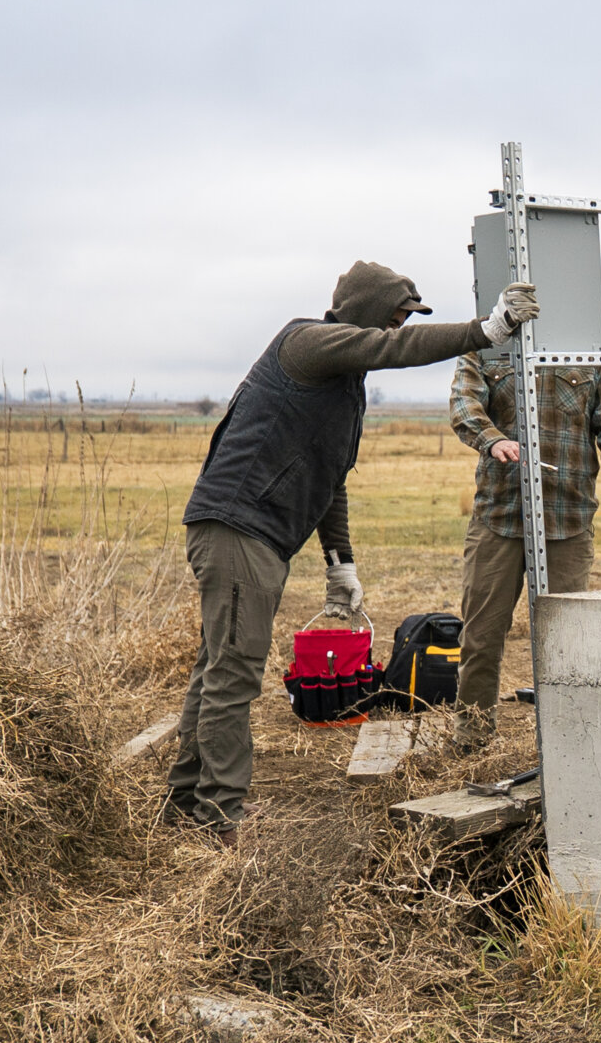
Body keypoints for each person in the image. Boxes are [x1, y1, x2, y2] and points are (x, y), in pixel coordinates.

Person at [168, 261, 539, 832]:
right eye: (394, 316)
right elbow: (396, 350)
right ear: (365, 310)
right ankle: (219, 814)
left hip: (253, 535)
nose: (398, 328)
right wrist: (483, 333)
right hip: (238, 528)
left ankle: (187, 803)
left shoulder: (341, 387)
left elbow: (330, 477)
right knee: (233, 674)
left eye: (404, 320)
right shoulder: (308, 343)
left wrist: (340, 563)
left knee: (217, 668)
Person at [447, 348, 601, 748]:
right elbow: (463, 404)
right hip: (499, 516)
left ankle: (568, 745)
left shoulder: (591, 353)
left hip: (568, 519)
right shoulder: (486, 346)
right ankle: (471, 739)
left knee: (567, 639)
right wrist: (493, 441)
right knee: (481, 637)